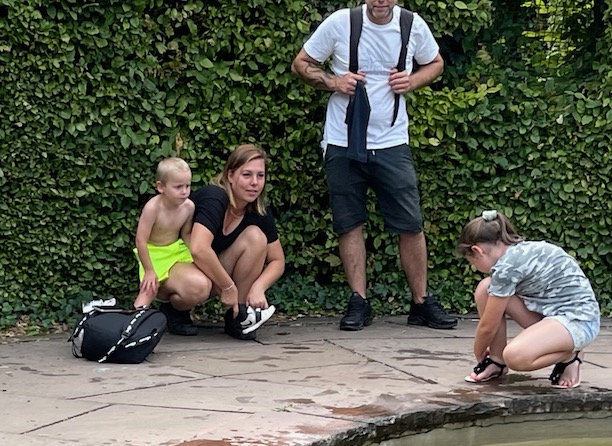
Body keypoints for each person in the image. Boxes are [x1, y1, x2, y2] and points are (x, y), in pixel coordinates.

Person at [291, 0, 457, 333]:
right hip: (342, 139)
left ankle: (421, 302)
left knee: (410, 223)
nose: (380, 0)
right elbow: (301, 63)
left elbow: (436, 63)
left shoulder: (411, 25)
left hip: (392, 141)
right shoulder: (341, 23)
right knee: (349, 222)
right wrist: (334, 82)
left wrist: (413, 81)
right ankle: (358, 301)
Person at [458, 209, 600, 389]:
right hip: (555, 316)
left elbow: (487, 327)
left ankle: (570, 356)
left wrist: (479, 355)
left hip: (579, 321)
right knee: (486, 288)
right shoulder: (520, 251)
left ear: (477, 251)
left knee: (515, 356)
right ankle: (497, 361)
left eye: (472, 261)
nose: (475, 266)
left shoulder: (507, 268)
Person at [179, 144, 286, 341]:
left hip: (209, 270)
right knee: (199, 286)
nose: (254, 183)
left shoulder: (258, 211)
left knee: (256, 236)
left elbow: (278, 261)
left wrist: (258, 287)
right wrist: (228, 287)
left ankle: (239, 314)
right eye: (247, 175)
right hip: (175, 265)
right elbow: (198, 248)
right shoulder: (215, 197)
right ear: (230, 176)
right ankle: (175, 310)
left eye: (260, 176)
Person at [133, 157, 200, 335]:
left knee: (205, 277)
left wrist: (197, 254)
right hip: (154, 252)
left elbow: (185, 233)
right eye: (178, 187)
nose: (184, 191)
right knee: (149, 289)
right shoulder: (152, 208)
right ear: (161, 186)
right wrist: (149, 270)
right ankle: (132, 328)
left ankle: (176, 310)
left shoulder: (189, 207)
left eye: (187, 186)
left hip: (176, 249)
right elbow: (140, 240)